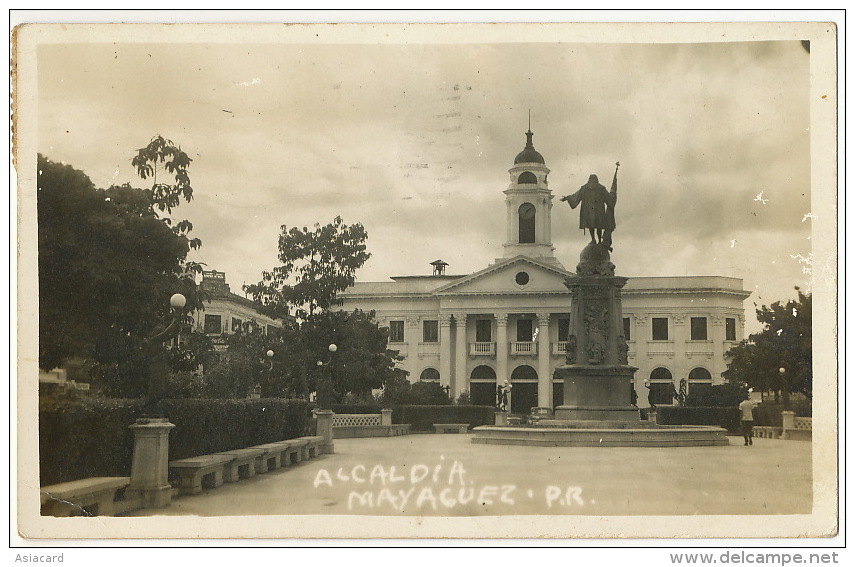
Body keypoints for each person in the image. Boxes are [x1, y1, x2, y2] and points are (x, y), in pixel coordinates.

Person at [561, 163, 619, 248]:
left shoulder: (586, 188)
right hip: (599, 212)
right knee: (598, 226)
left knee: (592, 226)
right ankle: (598, 240)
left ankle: (594, 239)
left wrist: (567, 198)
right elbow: (609, 198)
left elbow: (576, 196)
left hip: (589, 212)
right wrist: (613, 195)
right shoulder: (600, 188)